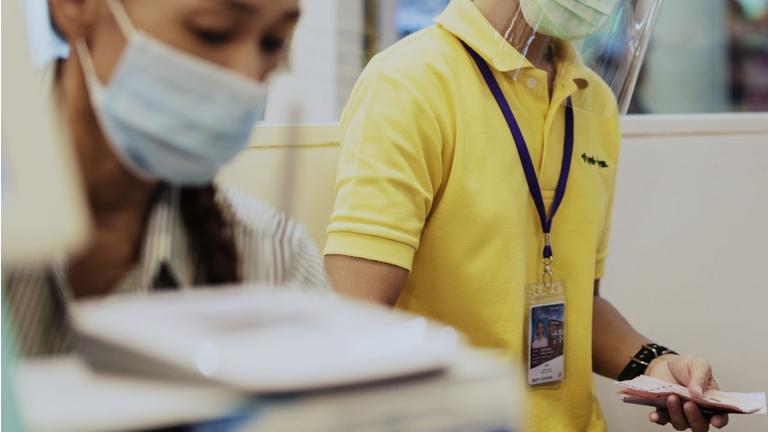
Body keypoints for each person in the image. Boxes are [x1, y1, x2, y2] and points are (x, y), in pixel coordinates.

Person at [324, 0, 728, 431]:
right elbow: (357, 317)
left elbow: (577, 304)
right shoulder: (409, 81)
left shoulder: (592, 98)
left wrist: (656, 364)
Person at [4, 0, 328, 358]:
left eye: (273, 42)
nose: (246, 81)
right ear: (77, 6)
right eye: (212, 32)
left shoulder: (277, 263)